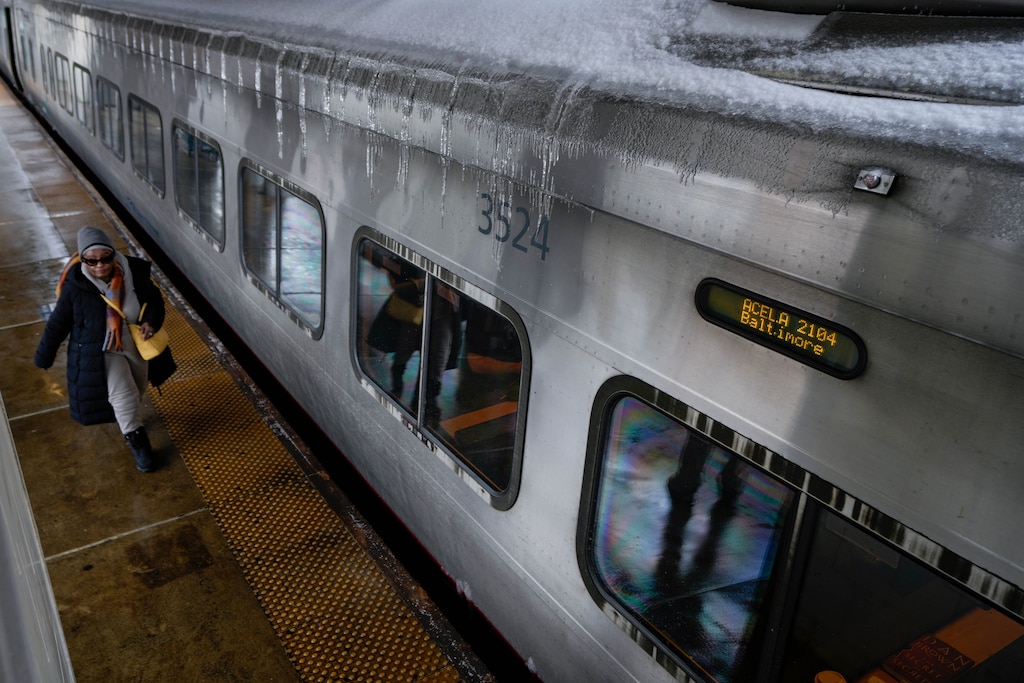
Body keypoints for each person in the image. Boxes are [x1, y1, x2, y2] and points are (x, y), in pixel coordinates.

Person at [34, 226, 167, 472]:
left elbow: (155, 301)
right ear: (83, 259)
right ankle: (138, 443)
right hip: (100, 349)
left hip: (136, 342)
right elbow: (57, 324)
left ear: (113, 254)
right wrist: (44, 356)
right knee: (123, 394)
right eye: (91, 261)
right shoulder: (76, 286)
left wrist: (149, 320)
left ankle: (130, 421)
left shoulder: (133, 272)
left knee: (137, 388)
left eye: (105, 258)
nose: (99, 266)